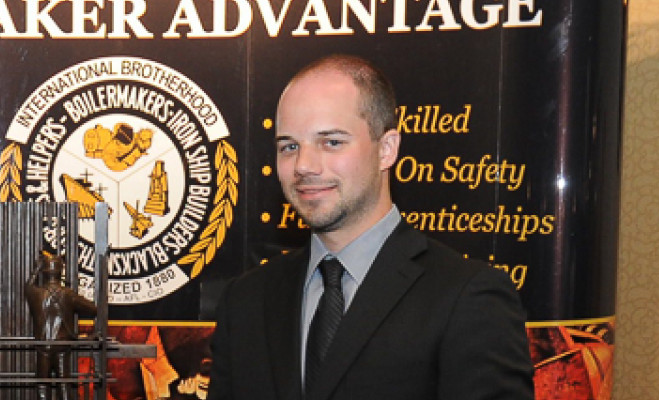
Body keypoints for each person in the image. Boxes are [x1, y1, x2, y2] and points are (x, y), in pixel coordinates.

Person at [207, 55, 533, 400]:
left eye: (331, 142)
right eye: (289, 146)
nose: (303, 165)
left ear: (386, 150)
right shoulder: (245, 301)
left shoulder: (467, 296)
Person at [25, 250, 98, 400]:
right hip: (62, 344)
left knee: (42, 383)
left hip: (43, 344)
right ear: (60, 272)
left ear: (44, 272)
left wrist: (37, 268)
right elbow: (93, 309)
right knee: (63, 383)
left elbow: (27, 287)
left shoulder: (35, 294)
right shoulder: (68, 294)